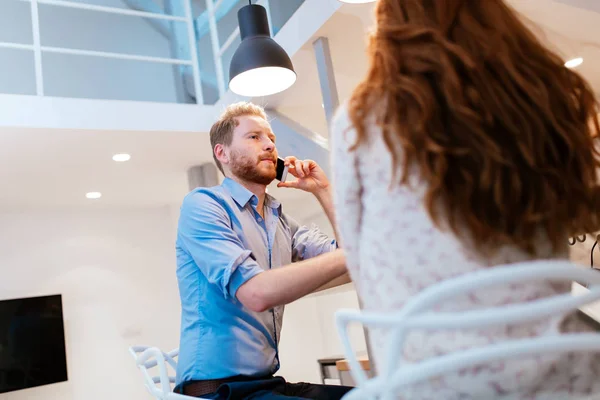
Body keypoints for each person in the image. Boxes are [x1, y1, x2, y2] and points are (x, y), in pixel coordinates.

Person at [331, 0, 600, 398]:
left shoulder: (358, 122)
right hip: (559, 374)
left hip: (429, 382)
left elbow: (361, 267)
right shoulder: (540, 99)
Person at [174, 102, 352, 399]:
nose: (270, 145)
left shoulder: (280, 221)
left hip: (265, 382)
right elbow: (256, 294)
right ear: (223, 153)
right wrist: (354, 255)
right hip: (217, 391)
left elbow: (350, 265)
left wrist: (323, 190)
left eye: (271, 138)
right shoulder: (204, 205)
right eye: (254, 137)